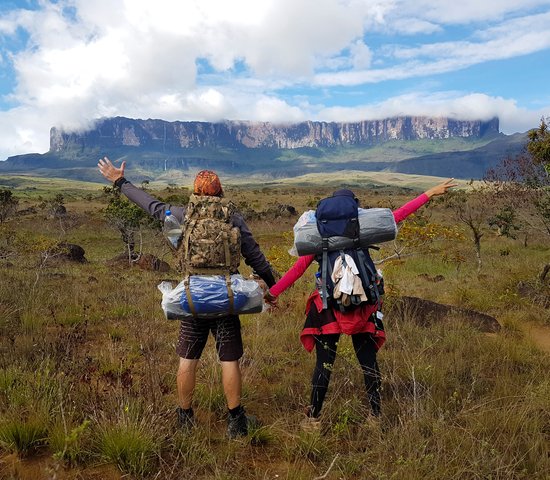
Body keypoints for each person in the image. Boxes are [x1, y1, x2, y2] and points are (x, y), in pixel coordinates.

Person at [98, 157, 278, 438]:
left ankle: (185, 417)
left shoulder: (181, 215)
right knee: (229, 359)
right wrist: (272, 286)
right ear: (220, 192)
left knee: (188, 357)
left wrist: (120, 182)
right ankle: (236, 421)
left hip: (192, 297)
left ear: (195, 192)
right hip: (227, 298)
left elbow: (150, 205)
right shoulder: (234, 218)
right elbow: (256, 257)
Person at [264, 179, 456, 429]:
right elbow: (397, 216)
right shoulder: (361, 230)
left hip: (327, 306)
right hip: (363, 305)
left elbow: (297, 269)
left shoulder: (319, 235)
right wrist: (429, 193)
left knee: (324, 363)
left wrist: (273, 293)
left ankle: (313, 419)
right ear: (354, 209)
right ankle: (375, 416)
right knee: (368, 361)